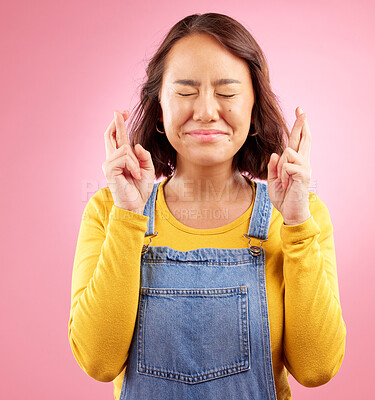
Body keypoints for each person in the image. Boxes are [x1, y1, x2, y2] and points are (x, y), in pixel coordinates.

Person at [68, 12, 346, 400]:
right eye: (184, 92)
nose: (205, 111)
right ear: (160, 110)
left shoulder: (300, 213)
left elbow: (316, 368)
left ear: (253, 109)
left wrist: (297, 224)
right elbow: (98, 361)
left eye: (227, 93)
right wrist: (129, 216)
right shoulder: (110, 209)